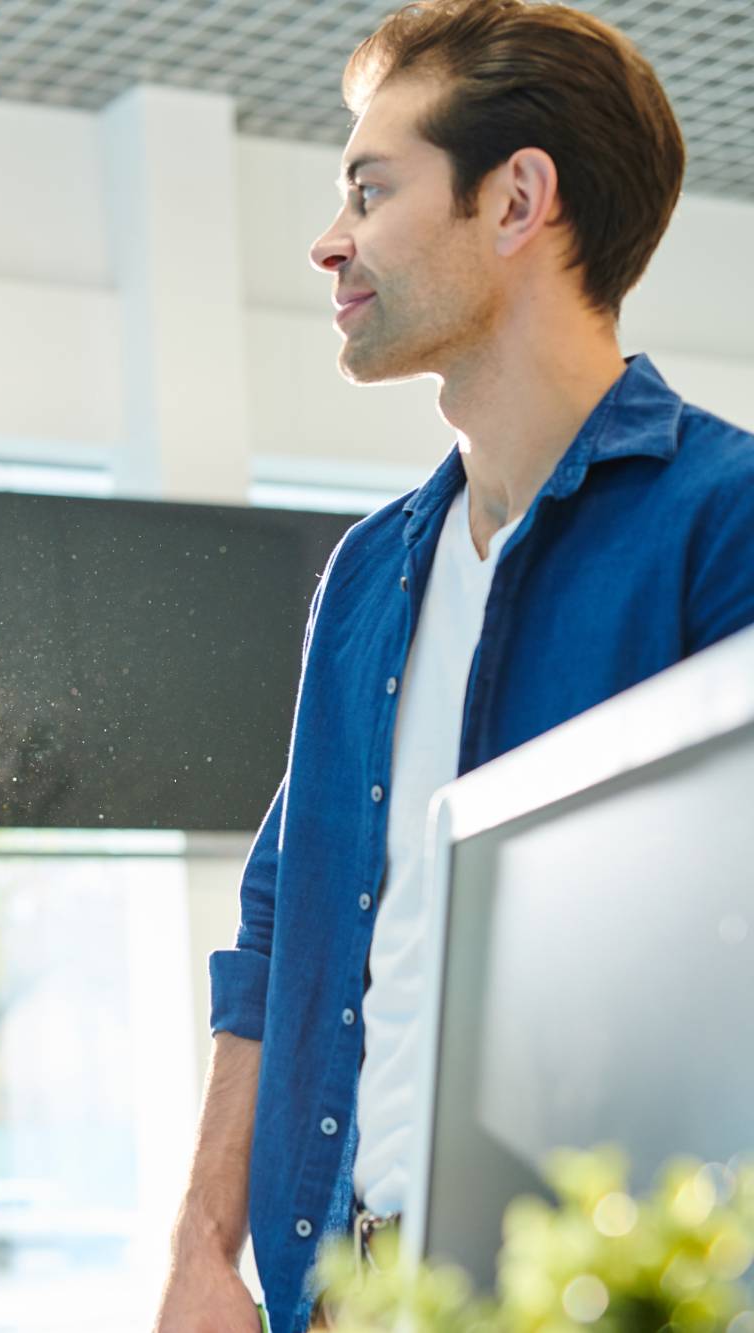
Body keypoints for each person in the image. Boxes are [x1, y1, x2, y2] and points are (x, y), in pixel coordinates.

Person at [150, 2, 754, 1331]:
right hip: (345, 1287)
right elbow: (278, 924)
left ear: (518, 197)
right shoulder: (371, 572)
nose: (330, 241)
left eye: (371, 189)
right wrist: (203, 1249)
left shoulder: (726, 522)